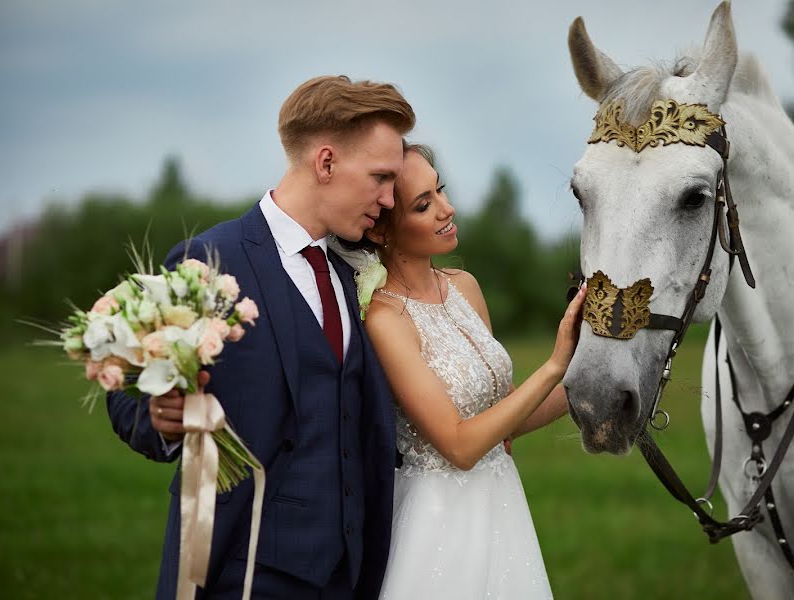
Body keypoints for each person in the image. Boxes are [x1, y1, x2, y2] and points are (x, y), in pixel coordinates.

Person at [106, 75, 415, 599]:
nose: (389, 199)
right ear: (326, 163)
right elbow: (128, 385)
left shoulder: (350, 270)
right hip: (240, 571)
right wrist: (160, 415)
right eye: (381, 178)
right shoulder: (210, 260)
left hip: (351, 573)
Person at [355, 144, 585, 599]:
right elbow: (460, 446)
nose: (447, 207)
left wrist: (590, 371)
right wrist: (556, 363)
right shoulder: (386, 321)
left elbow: (506, 419)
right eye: (424, 205)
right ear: (383, 230)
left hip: (503, 507)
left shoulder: (465, 287)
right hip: (440, 523)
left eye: (440, 190)